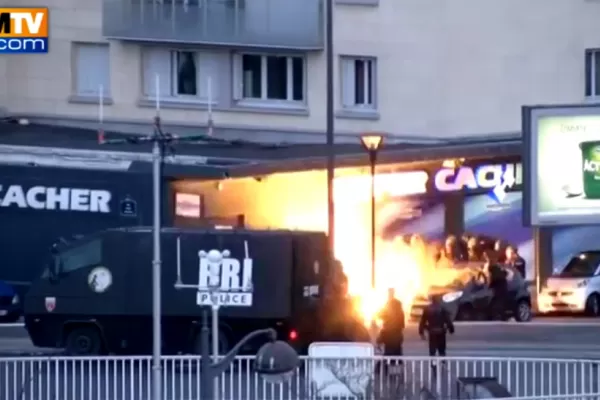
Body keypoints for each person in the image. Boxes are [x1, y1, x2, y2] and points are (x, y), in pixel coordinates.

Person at [418, 294, 455, 362]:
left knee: (432, 351)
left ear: (432, 300)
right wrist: (451, 329)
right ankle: (443, 363)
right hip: (441, 332)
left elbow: (422, 321)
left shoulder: (427, 309)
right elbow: (448, 320)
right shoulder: (442, 308)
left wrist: (421, 332)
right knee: (442, 351)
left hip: (432, 332)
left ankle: (433, 364)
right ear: (438, 300)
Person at [378, 288, 405, 357]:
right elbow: (402, 319)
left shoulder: (388, 304)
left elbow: (381, 315)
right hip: (396, 333)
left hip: (389, 333)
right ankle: (397, 365)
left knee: (388, 353)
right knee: (397, 353)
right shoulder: (397, 304)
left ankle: (381, 366)